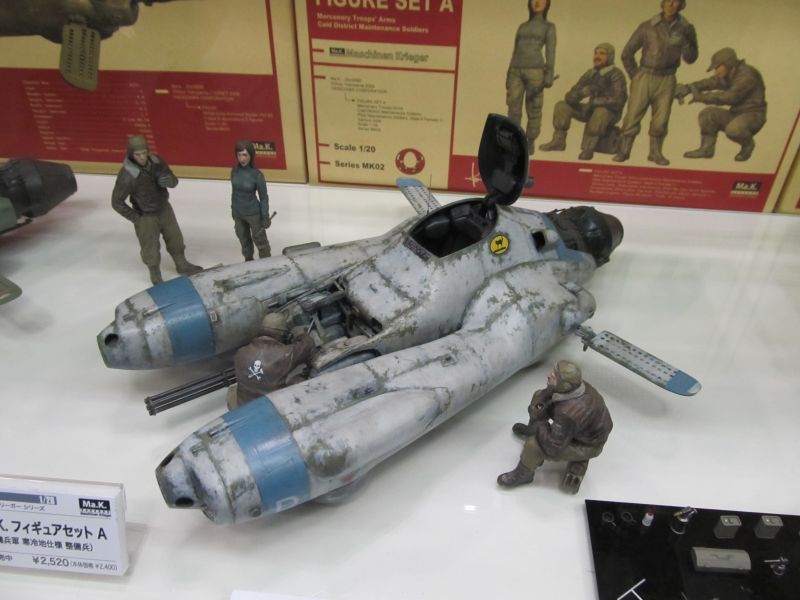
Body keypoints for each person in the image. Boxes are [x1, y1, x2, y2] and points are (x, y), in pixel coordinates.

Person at [497, 361, 612, 494]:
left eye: (554, 376)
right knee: (538, 395)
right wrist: (540, 401)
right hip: (582, 429)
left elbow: (552, 447)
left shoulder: (568, 413)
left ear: (564, 385)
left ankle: (524, 474)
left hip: (587, 444)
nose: (548, 375)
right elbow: (549, 393)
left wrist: (540, 422)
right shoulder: (577, 386)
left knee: (533, 445)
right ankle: (532, 429)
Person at [613, 0, 698, 165]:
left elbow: (691, 58)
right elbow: (627, 53)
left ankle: (655, 153)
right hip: (644, 76)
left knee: (661, 119)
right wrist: (635, 76)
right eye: (668, 1)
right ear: (662, 3)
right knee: (632, 116)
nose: (671, 5)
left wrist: (686, 40)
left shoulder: (686, 28)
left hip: (668, 79)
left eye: (675, 1)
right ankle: (624, 151)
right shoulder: (647, 26)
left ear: (681, 5)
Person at [111, 135, 202, 285]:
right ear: (131, 155)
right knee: (150, 248)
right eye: (137, 154)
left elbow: (173, 179)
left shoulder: (157, 162)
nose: (142, 157)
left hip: (164, 208)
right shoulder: (127, 174)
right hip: (145, 215)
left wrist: (170, 181)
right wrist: (136, 218)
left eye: (144, 153)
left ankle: (181, 264)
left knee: (175, 239)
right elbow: (116, 202)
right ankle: (155, 273)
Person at [539, 43, 627, 160]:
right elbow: (569, 96)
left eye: (602, 54)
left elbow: (618, 100)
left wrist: (593, 102)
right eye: (596, 53)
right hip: (589, 110)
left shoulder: (616, 75)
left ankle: (588, 148)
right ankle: (558, 141)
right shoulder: (590, 73)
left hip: (610, 113)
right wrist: (581, 93)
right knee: (562, 106)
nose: (597, 56)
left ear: (610, 56)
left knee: (600, 112)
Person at [677, 47, 766, 162]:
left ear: (727, 63)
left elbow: (731, 97)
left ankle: (748, 145)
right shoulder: (730, 73)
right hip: (737, 114)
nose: (716, 72)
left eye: (717, 67)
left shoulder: (747, 74)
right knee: (707, 115)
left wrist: (701, 97)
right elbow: (711, 82)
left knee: (733, 130)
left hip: (753, 115)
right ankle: (706, 150)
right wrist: (689, 87)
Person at [227, 312, 315, 410]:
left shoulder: (241, 352)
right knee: (299, 380)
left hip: (241, 404)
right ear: (284, 334)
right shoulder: (285, 354)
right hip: (271, 408)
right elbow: (308, 345)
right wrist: (300, 335)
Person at [506, 0, 557, 154]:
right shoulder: (522, 27)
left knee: (534, 107)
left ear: (547, 4)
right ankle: (514, 140)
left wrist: (549, 74)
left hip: (535, 71)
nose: (537, 2)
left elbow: (550, 52)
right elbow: (515, 50)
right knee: (513, 106)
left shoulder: (549, 27)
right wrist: (509, 73)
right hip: (516, 70)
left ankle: (530, 141)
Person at [231, 140, 271, 261]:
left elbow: (264, 197)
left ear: (251, 155)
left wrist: (265, 216)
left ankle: (267, 263)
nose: (242, 158)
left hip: (253, 214)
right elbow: (234, 192)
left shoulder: (257, 175)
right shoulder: (234, 171)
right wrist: (233, 210)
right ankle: (248, 261)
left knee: (260, 240)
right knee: (243, 239)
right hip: (238, 213)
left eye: (245, 155)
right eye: (239, 155)